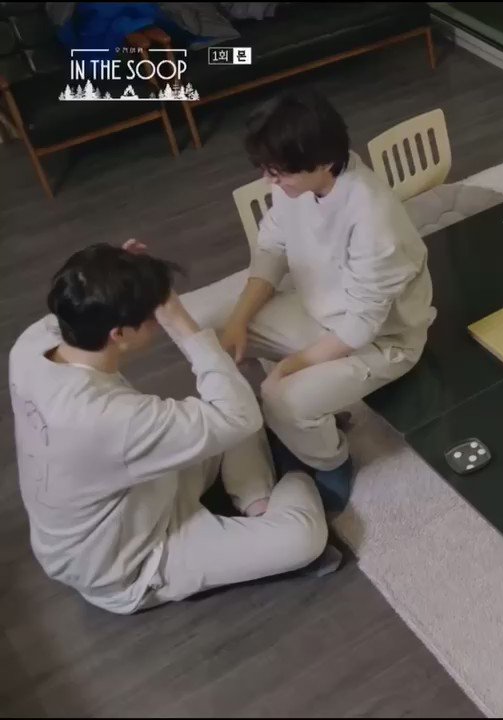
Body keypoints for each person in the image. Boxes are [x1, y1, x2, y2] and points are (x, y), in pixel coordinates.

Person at [8, 242, 333, 615]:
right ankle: (294, 474)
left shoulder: (32, 344)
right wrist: (179, 320)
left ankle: (256, 501)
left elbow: (232, 416)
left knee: (229, 407)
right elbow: (239, 416)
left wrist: (119, 271)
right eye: (152, 315)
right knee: (303, 539)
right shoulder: (112, 419)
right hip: (131, 560)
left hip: (136, 491)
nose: (158, 317)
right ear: (119, 334)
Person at [185, 88, 435, 513]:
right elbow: (272, 246)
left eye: (277, 173)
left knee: (282, 397)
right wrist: (239, 321)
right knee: (208, 327)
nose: (269, 182)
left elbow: (360, 326)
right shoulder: (296, 186)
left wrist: (291, 366)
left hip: (379, 342)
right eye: (266, 170)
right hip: (317, 312)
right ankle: (280, 424)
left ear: (321, 162)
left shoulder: (373, 217)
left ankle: (332, 459)